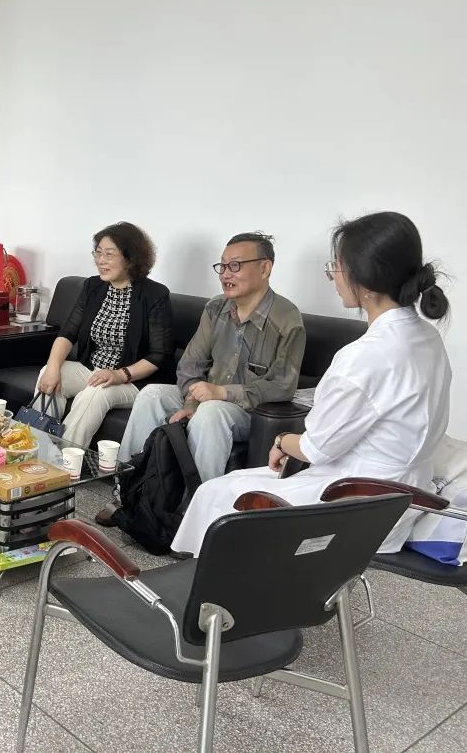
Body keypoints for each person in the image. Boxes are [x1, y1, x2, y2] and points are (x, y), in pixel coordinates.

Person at [171, 211, 452, 557]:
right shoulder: (427, 338)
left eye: (336, 266)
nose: (332, 277)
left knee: (215, 495)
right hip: (403, 495)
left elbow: (316, 449)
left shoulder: (364, 355)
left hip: (354, 500)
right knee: (228, 485)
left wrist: (281, 440)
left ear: (364, 278)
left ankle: (208, 582)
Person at [116, 232, 305, 486]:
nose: (226, 274)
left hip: (249, 413)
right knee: (152, 395)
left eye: (235, 266)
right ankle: (127, 487)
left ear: (264, 268)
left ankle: (196, 503)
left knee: (212, 412)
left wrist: (222, 393)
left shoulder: (286, 318)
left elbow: (282, 385)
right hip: (205, 399)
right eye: (222, 266)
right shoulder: (216, 308)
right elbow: (191, 363)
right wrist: (191, 402)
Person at [35, 223, 172, 448]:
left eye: (109, 254)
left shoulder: (155, 294)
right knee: (49, 373)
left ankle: (64, 459)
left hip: (132, 379)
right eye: (97, 253)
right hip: (93, 370)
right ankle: (38, 451)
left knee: (95, 392)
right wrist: (52, 367)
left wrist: (120, 374)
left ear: (130, 258)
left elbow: (159, 355)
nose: (101, 260)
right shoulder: (93, 286)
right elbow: (68, 332)